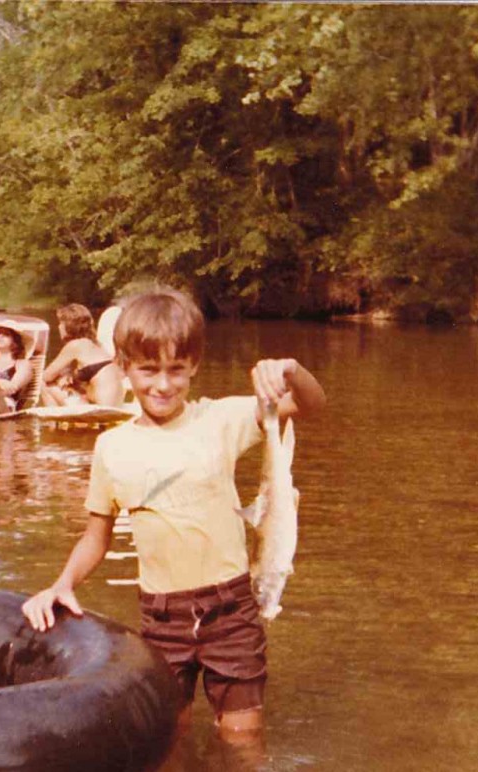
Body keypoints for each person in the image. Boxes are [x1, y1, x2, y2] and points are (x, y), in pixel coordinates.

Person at [23, 287, 326, 736]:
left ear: (194, 368)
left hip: (232, 612)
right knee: (168, 740)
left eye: (176, 371)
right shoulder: (112, 447)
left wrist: (290, 370)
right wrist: (62, 584)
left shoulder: (221, 420)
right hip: (162, 618)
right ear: (124, 368)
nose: (162, 385)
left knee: (243, 746)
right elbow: (96, 536)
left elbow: (310, 404)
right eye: (148, 370)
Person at [40, 303, 124, 407]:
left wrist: (59, 378)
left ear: (68, 325)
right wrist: (68, 376)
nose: (59, 327)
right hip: (116, 404)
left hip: (102, 410)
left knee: (44, 385)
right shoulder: (95, 345)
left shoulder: (75, 346)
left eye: (61, 323)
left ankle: (52, 422)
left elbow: (46, 376)